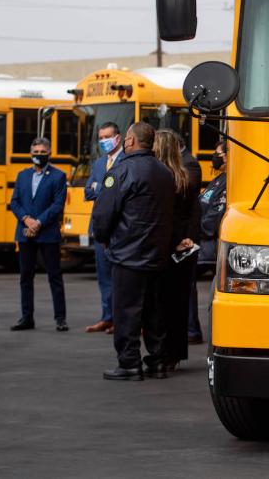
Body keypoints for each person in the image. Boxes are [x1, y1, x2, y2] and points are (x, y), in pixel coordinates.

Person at [92, 122, 174, 381]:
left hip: (128, 253)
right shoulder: (165, 172)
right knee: (155, 311)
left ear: (129, 142)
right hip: (157, 253)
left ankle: (129, 363)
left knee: (127, 312)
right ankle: (158, 361)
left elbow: (104, 212)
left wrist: (103, 239)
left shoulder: (121, 171)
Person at [8, 137, 69, 332]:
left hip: (48, 233)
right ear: (30, 153)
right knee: (25, 276)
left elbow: (58, 205)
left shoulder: (58, 176)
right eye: (36, 152)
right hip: (25, 232)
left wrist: (39, 222)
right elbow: (15, 202)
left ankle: (60, 318)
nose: (39, 156)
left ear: (49, 153)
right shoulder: (22, 175)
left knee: (55, 276)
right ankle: (27, 317)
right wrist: (27, 219)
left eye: (43, 153)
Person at [152, 130, 201, 370]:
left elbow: (163, 216)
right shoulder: (185, 175)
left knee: (160, 302)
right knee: (178, 302)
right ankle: (175, 353)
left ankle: (162, 352)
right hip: (183, 247)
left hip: (165, 245)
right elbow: (194, 211)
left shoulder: (160, 178)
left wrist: (174, 240)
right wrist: (188, 238)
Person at [83, 122, 123, 334]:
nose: (104, 141)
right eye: (101, 138)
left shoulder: (126, 161)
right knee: (104, 276)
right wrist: (101, 189)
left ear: (118, 137)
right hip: (100, 229)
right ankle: (107, 317)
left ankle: (120, 320)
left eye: (108, 136)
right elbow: (87, 192)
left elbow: (118, 193)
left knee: (120, 277)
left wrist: (99, 189)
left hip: (119, 229)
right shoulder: (99, 164)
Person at [190, 139, 226, 345]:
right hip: (203, 244)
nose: (214, 156)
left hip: (209, 249)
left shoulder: (229, 182)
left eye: (217, 153)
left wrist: (195, 230)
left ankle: (191, 330)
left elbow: (212, 221)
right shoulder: (217, 180)